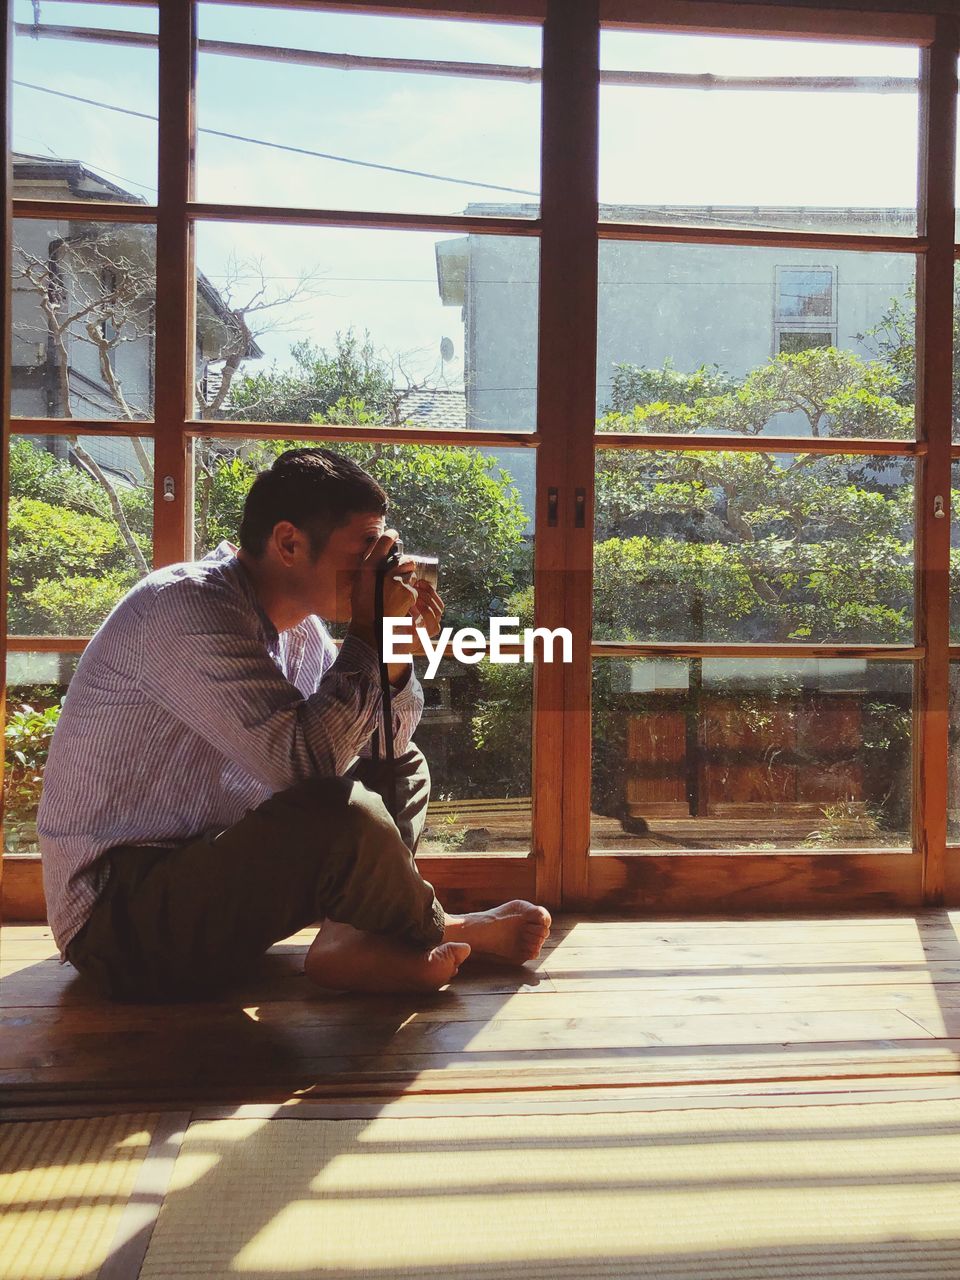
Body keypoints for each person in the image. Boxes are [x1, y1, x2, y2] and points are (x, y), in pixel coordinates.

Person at [37, 447, 552, 1003]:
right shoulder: (186, 605)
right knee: (339, 809)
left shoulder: (301, 635)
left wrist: (394, 647)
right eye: (364, 552)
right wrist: (368, 633)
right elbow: (304, 769)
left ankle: (352, 941)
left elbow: (384, 744)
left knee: (401, 763)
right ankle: (439, 926)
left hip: (209, 872)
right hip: (121, 919)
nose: (375, 573)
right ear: (288, 543)